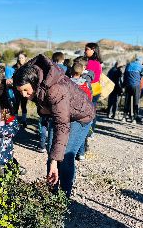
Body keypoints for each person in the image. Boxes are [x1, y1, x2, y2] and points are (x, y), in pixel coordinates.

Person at [14, 54, 95, 198]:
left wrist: (54, 160)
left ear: (34, 82)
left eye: (26, 90)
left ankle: (63, 198)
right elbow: (49, 110)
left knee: (65, 156)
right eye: (21, 92)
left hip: (80, 116)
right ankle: (51, 193)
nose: (25, 95)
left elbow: (62, 125)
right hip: (60, 114)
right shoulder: (37, 82)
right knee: (53, 153)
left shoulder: (55, 89)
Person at [123, 56, 143, 122]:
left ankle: (124, 116)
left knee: (127, 101)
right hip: (136, 86)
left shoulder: (129, 65)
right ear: (141, 62)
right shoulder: (140, 67)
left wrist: (123, 85)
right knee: (136, 101)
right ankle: (134, 118)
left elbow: (125, 76)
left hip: (127, 85)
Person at [84, 43, 103, 137]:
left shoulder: (92, 63)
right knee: (92, 110)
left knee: (88, 111)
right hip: (95, 89)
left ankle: (89, 131)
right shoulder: (97, 62)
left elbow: (92, 78)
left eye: (87, 49)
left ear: (93, 50)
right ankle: (91, 131)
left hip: (90, 89)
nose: (85, 51)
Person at [12, 52, 29, 126]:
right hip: (16, 89)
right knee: (16, 105)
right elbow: (12, 78)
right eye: (19, 58)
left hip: (25, 90)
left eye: (22, 58)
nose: (20, 59)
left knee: (24, 105)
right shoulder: (14, 67)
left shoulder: (28, 67)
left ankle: (24, 120)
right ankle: (15, 121)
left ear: (25, 58)